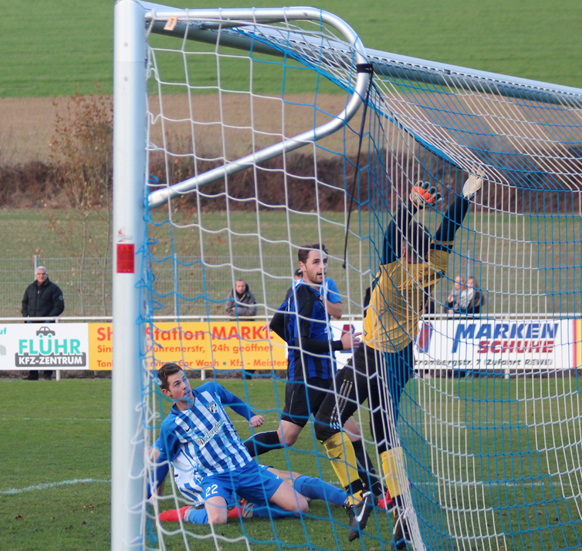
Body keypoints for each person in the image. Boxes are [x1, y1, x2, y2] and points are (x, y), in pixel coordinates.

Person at [313, 173, 483, 549]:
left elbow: (391, 235)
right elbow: (447, 231)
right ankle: (400, 516)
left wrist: (411, 204)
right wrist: (465, 200)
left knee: (325, 423)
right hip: (401, 359)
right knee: (385, 434)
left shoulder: (393, 273)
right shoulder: (434, 268)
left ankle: (359, 495)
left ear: (407, 251)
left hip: (372, 354)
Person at [243, 244, 381, 541]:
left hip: (323, 375)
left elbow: (277, 323)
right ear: (302, 266)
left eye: (325, 262)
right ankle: (235, 457)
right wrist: (338, 346)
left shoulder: (305, 292)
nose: (323, 267)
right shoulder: (304, 295)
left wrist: (296, 343)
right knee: (286, 437)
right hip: (305, 380)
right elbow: (302, 342)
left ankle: (369, 490)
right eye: (316, 262)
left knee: (350, 430)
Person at [151, 362, 310, 525]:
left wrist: (250, 416)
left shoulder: (210, 390)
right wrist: (147, 494)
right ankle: (187, 513)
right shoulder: (171, 425)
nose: (185, 385)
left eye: (184, 379)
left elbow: (231, 399)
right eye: (177, 384)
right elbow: (164, 459)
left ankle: (249, 510)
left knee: (300, 507)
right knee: (217, 519)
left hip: (246, 468)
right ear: (167, 392)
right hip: (215, 476)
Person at [152, 441, 356, 524]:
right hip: (214, 483)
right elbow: (156, 457)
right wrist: (154, 492)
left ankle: (350, 500)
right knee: (293, 491)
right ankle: (186, 512)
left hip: (238, 471)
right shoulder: (173, 427)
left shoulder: (204, 410)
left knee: (292, 484)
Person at [21, 266, 65, 380]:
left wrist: (49, 319)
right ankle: (33, 373)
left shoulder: (54, 289)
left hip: (47, 324)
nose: (41, 276)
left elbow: (59, 306)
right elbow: (24, 303)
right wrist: (26, 317)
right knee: (32, 349)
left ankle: (47, 374)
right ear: (35, 275)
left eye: (43, 274)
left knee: (47, 349)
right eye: (39, 274)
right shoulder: (30, 288)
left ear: (47, 275)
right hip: (32, 324)